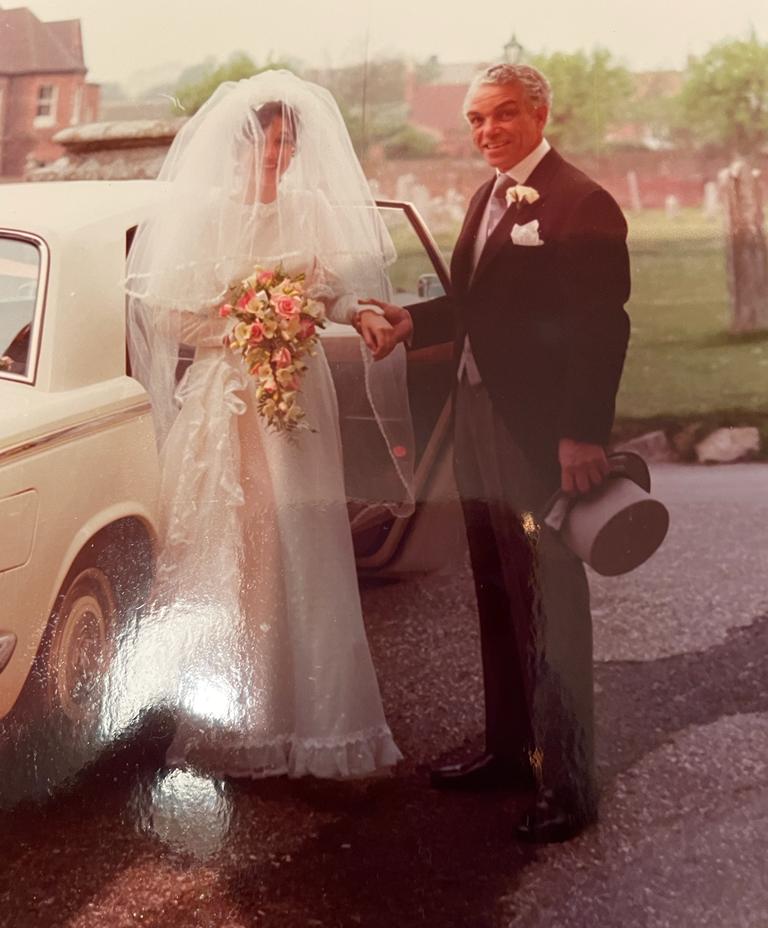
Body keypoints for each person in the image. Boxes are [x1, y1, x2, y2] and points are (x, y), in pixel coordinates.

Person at [125, 71, 413, 779]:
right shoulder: (210, 217)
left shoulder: (310, 208)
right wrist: (250, 321)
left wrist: (362, 312)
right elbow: (167, 314)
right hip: (228, 402)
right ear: (241, 145)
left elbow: (332, 291)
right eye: (268, 142)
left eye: (288, 144)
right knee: (239, 556)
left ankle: (324, 729)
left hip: (296, 399)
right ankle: (236, 730)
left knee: (304, 542)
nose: (278, 155)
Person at [368, 63, 631, 841]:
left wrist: (582, 432)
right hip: (477, 415)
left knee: (549, 600)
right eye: (477, 119)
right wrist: (418, 321)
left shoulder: (582, 202)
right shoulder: (488, 196)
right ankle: (510, 751)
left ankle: (570, 784)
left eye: (504, 116)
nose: (488, 132)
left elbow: (602, 329)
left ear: (542, 113)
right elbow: (479, 302)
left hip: (540, 430)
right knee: (495, 587)